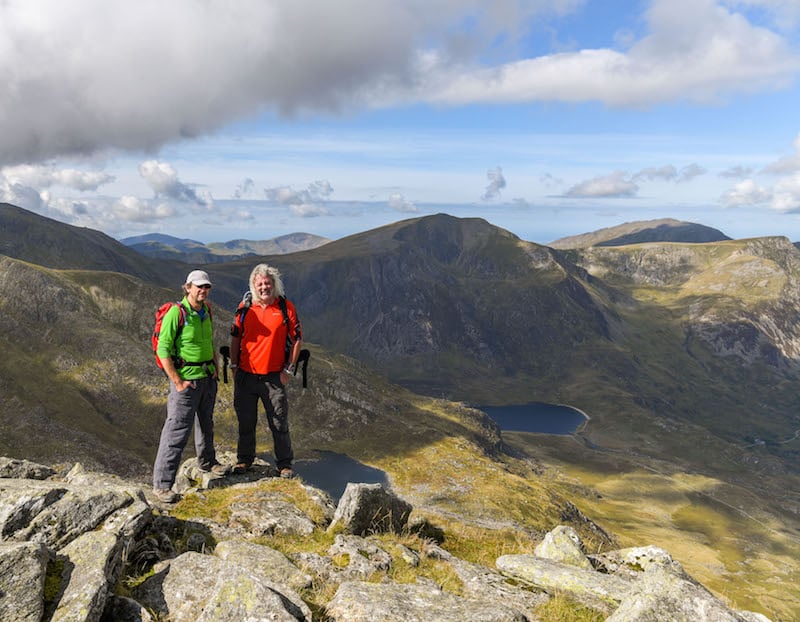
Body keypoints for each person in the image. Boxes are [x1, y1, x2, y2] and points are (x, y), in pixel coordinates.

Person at [152, 269, 228, 503]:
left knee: (206, 423)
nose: (203, 290)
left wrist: (215, 369)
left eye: (206, 287)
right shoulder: (177, 313)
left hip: (207, 377)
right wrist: (177, 381)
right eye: (199, 286)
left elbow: (209, 344)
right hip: (187, 381)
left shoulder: (206, 311)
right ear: (187, 288)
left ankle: (207, 462)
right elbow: (162, 349)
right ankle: (162, 485)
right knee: (176, 431)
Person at [229, 263, 303, 478]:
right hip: (246, 375)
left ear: (274, 284)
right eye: (260, 284)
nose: (264, 287)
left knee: (279, 422)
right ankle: (244, 460)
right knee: (246, 420)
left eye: (268, 283)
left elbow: (297, 338)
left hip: (273, 377)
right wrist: (234, 366)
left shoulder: (285, 307)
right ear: (254, 285)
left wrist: (289, 370)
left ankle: (284, 464)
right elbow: (235, 337)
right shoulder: (245, 307)